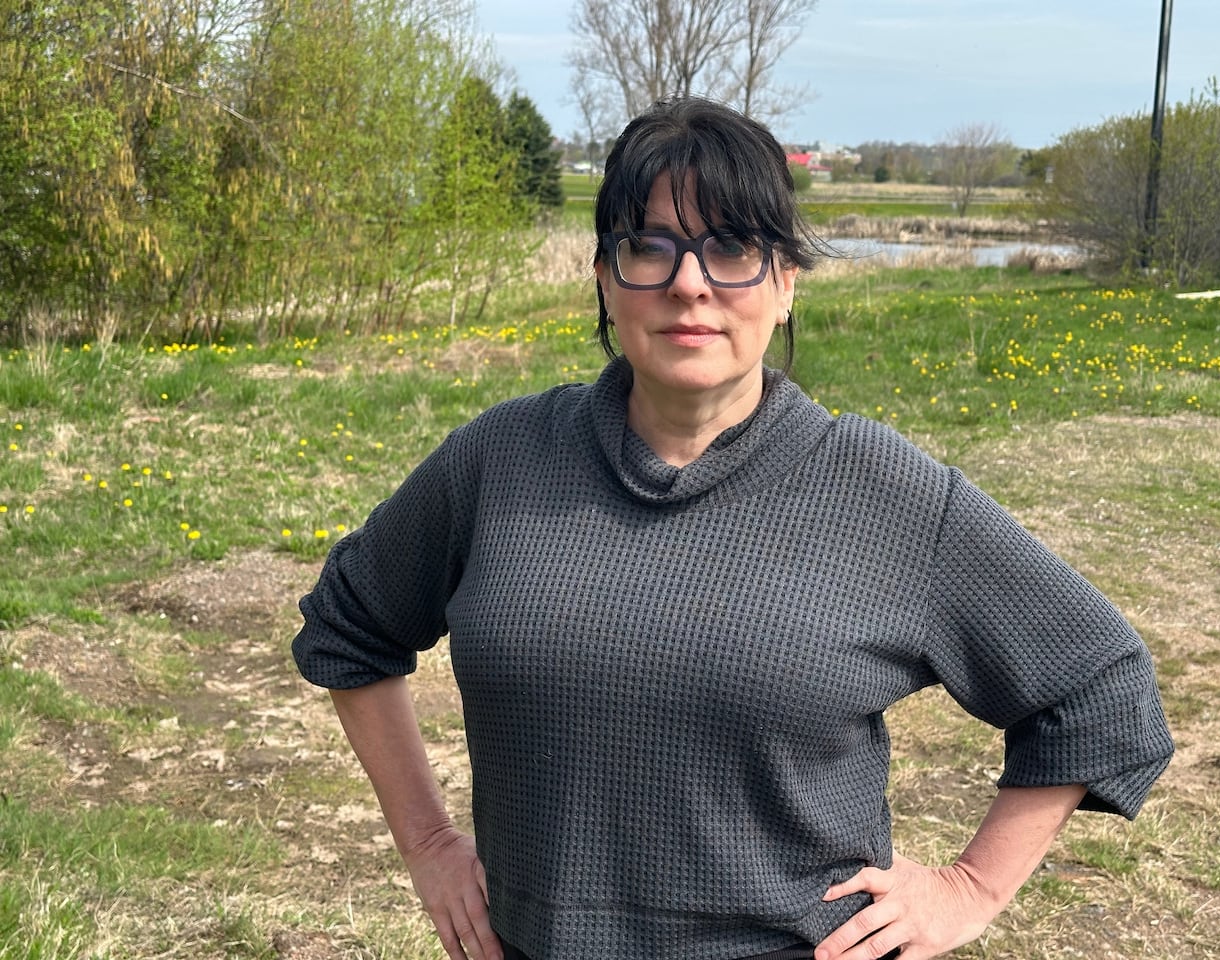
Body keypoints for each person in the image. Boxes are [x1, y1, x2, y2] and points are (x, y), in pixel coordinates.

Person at [292, 96, 1173, 960]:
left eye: (732, 248)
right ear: (604, 277)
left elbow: (1097, 687)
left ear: (784, 284)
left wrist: (969, 889)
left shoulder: (880, 490)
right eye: (650, 247)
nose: (689, 283)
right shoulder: (501, 459)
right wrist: (431, 847)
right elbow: (350, 628)